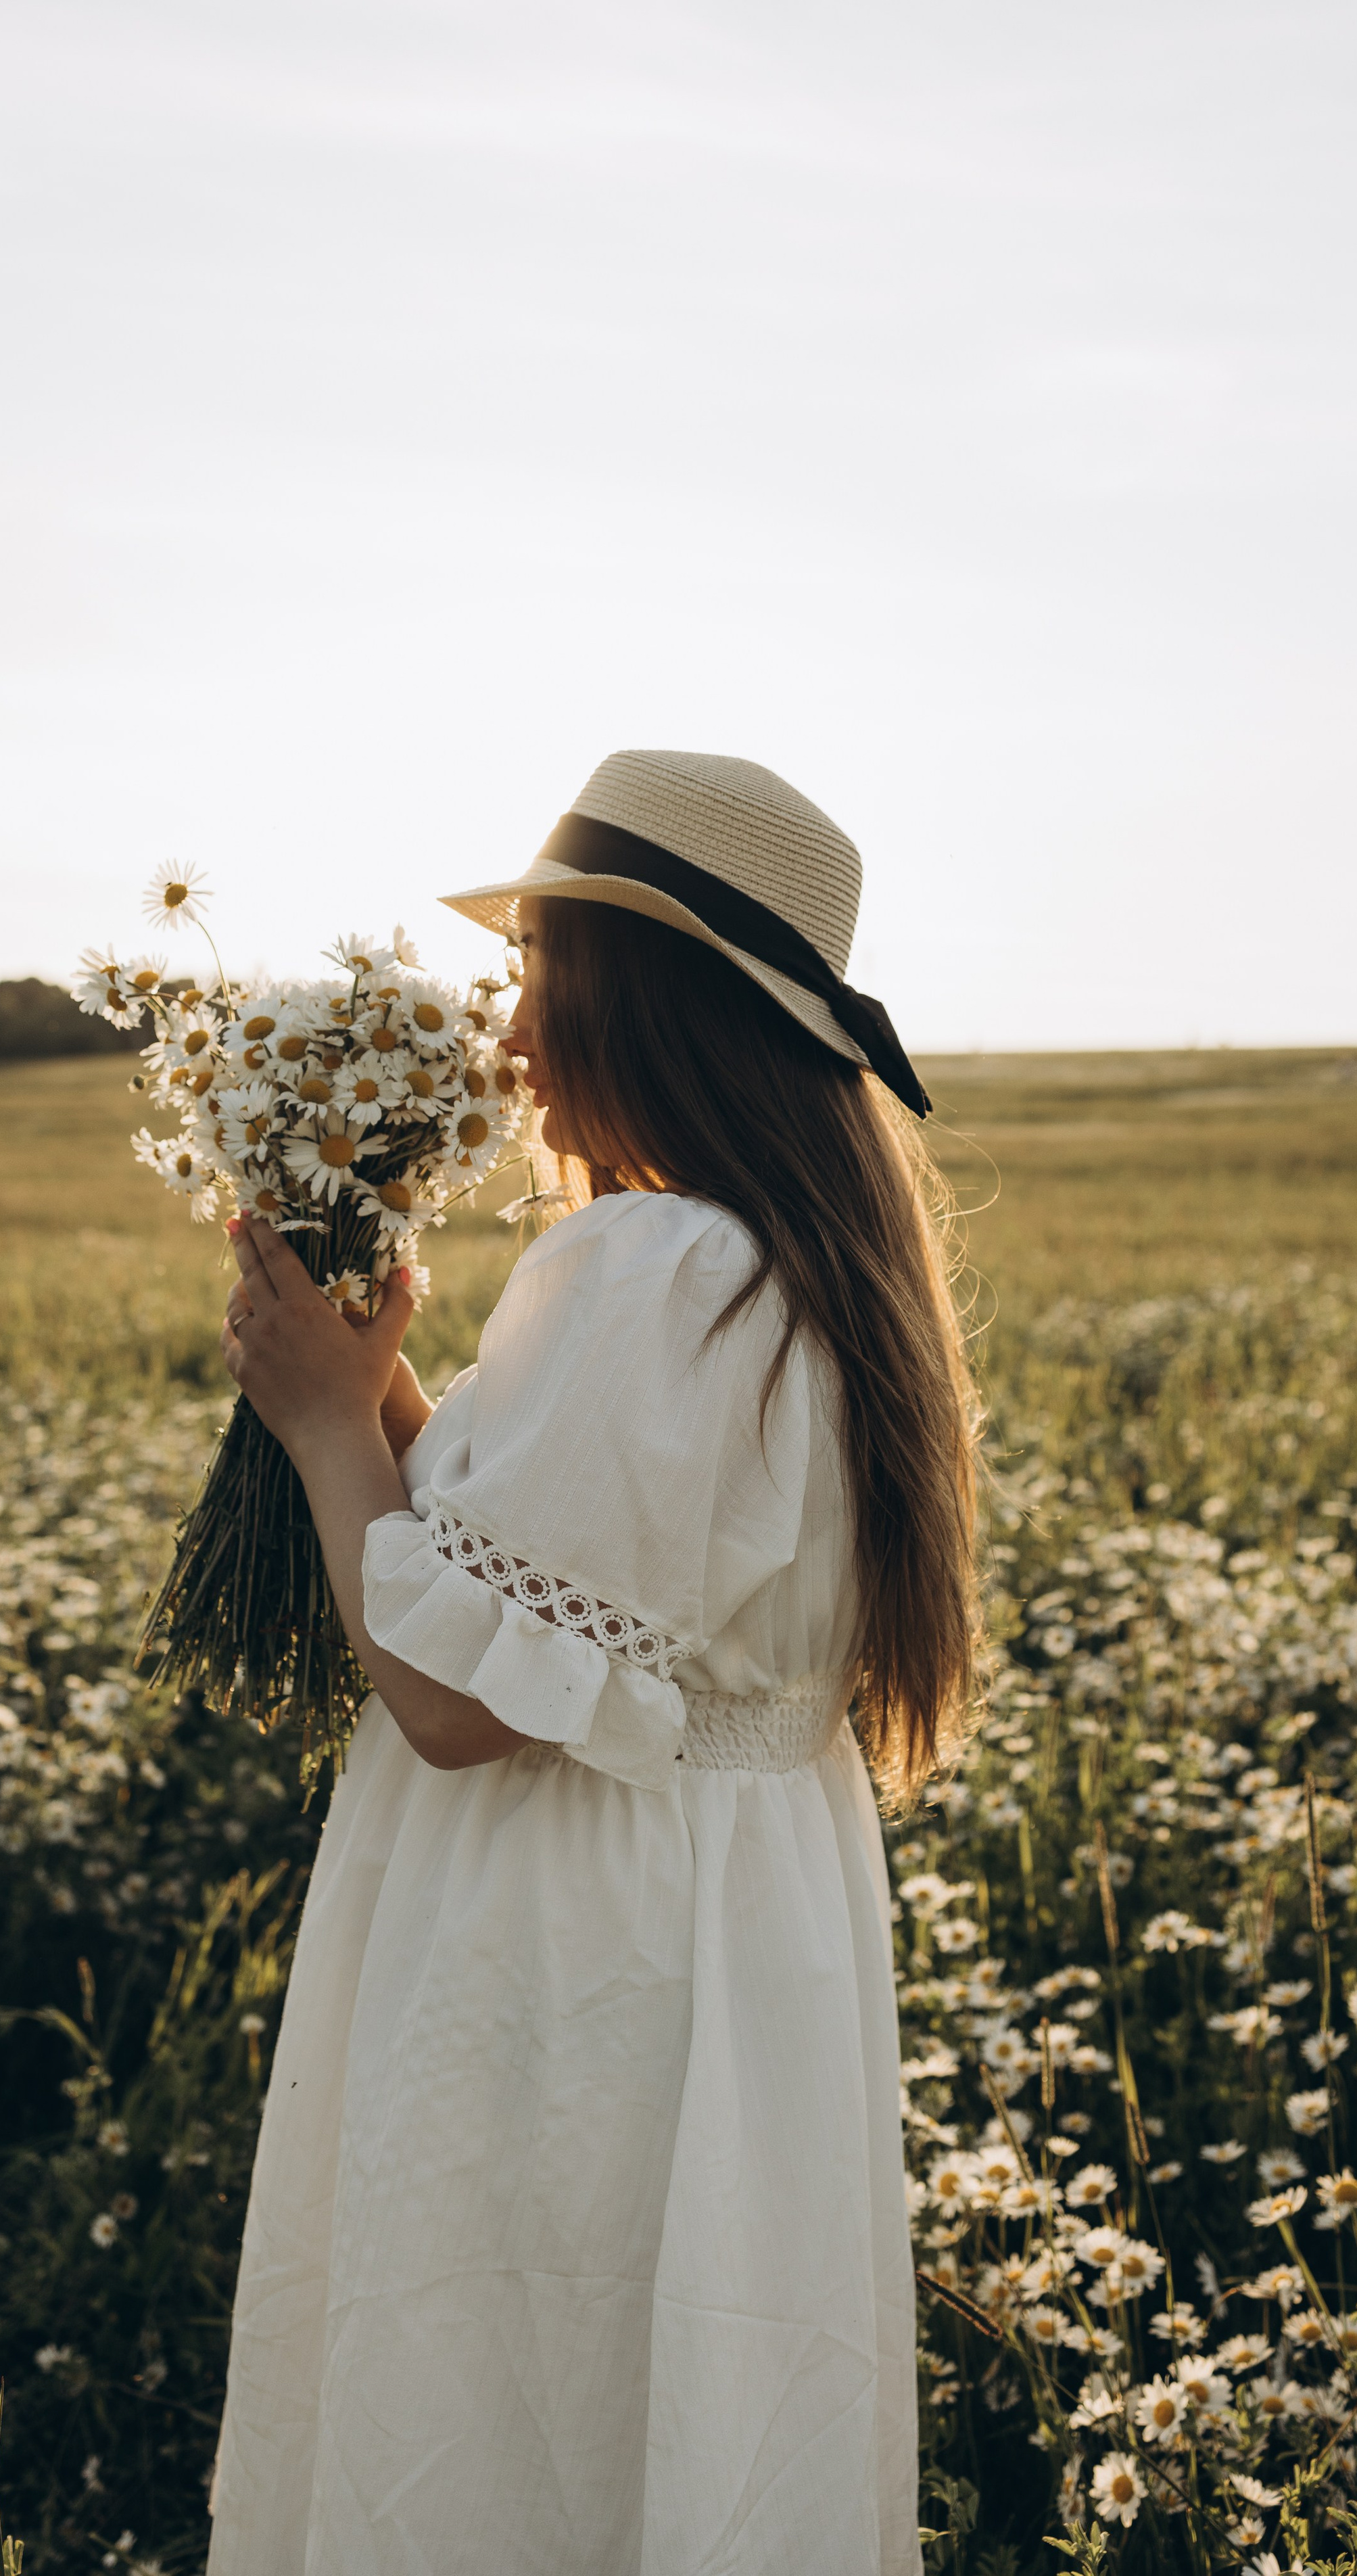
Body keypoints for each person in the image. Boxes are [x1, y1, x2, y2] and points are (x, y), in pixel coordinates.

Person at [206, 750, 979, 2576]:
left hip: (581, 1940)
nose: (516, 1034)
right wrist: (379, 1379)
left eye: (544, 976)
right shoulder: (791, 1263)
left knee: (515, 2383)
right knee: (684, 2386)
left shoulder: (643, 1267)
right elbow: (550, 1587)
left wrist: (325, 1431)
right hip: (741, 1911)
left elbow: (463, 1703)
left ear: (652, 1004)